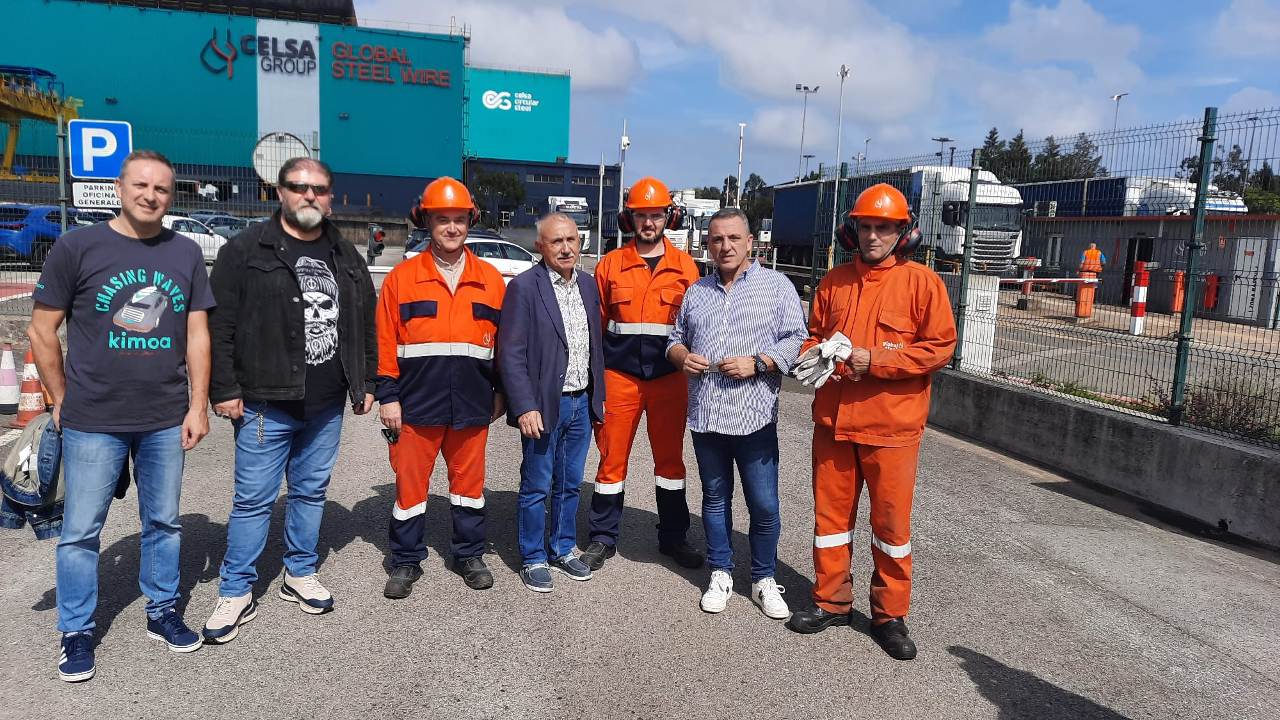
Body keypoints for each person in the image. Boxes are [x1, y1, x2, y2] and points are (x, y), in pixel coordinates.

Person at [28, 150, 214, 682]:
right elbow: (43, 331)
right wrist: (62, 398)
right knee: (82, 532)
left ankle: (162, 612)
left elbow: (197, 333)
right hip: (93, 419)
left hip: (163, 416)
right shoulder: (77, 247)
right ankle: (77, 631)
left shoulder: (184, 253)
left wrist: (197, 404)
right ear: (119, 187)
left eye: (161, 189)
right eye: (140, 185)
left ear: (170, 196)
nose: (150, 196)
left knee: (164, 522)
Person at [202, 157, 377, 644]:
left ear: (330, 197)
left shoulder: (344, 252)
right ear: (278, 193)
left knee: (310, 492)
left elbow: (365, 317)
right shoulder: (245, 250)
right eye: (299, 187)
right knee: (253, 501)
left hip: (326, 404)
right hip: (265, 403)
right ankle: (236, 589)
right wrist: (225, 389)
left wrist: (365, 383)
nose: (309, 196)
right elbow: (220, 325)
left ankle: (299, 572)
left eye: (319, 189)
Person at [787, 183, 957, 661]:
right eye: (866, 226)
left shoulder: (923, 283)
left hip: (891, 429)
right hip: (834, 425)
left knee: (889, 527)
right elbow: (813, 335)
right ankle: (831, 601)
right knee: (831, 522)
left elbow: (939, 347)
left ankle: (889, 616)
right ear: (853, 229)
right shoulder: (834, 281)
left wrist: (876, 359)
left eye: (885, 228)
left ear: (905, 233)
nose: (874, 236)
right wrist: (815, 356)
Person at [666, 208, 806, 618]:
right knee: (714, 499)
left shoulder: (777, 287)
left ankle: (763, 578)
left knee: (763, 505)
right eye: (715, 239)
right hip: (707, 415)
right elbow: (675, 338)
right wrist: (681, 356)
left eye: (732, 238)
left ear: (750, 243)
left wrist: (759, 362)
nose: (724, 246)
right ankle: (721, 572)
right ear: (706, 244)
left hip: (755, 417)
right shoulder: (697, 292)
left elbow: (798, 339)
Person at [377, 177, 506, 597]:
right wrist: (388, 396)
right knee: (410, 489)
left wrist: (501, 392)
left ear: (471, 221)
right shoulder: (402, 277)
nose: (451, 228)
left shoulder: (491, 279)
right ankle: (405, 560)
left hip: (472, 402)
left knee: (469, 488)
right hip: (416, 403)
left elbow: (505, 344)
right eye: (442, 220)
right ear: (425, 222)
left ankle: (468, 554)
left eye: (459, 219)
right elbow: (385, 341)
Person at [580, 176, 702, 571]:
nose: (649, 223)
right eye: (641, 216)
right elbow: (597, 329)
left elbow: (699, 326)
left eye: (656, 215)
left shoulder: (685, 268)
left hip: (670, 380)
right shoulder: (610, 265)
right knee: (611, 460)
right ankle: (602, 537)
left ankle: (673, 538)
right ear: (627, 219)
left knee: (670, 463)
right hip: (620, 378)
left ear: (669, 216)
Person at [498, 213, 606, 593]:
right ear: (539, 247)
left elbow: (596, 346)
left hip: (581, 401)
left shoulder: (589, 286)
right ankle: (532, 556)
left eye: (572, 240)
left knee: (571, 483)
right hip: (544, 405)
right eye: (556, 241)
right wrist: (525, 405)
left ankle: (562, 548)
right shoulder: (524, 288)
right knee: (537, 485)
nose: (566, 248)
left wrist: (599, 398)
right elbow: (510, 353)